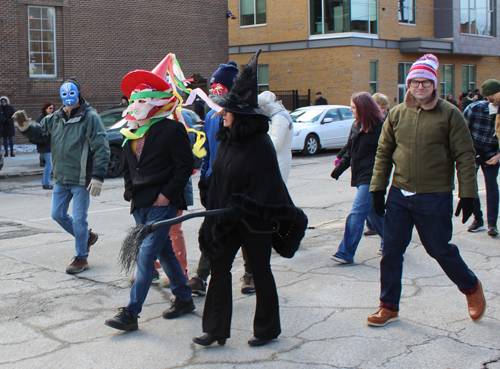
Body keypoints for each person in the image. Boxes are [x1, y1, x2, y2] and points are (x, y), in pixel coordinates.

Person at [193, 50, 308, 347]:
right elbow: (221, 176)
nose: (221, 115)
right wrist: (210, 193)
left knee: (260, 270)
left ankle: (267, 330)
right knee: (219, 268)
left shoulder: (260, 145)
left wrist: (242, 205)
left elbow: (267, 187)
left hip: (255, 223)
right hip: (226, 220)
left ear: (240, 116)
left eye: (226, 112)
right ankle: (215, 329)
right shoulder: (227, 140)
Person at [367, 53, 486, 327]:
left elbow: (465, 155)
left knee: (439, 249)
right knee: (392, 251)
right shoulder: (396, 114)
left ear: (434, 85)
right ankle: (388, 306)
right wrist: (377, 188)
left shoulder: (450, 114)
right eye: (415, 82)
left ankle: (471, 287)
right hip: (399, 194)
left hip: (434, 195)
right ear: (408, 84)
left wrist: (468, 193)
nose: (420, 87)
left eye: (426, 82)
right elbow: (384, 152)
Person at [104, 54, 195, 332]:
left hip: (162, 203)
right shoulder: (130, 133)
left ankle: (131, 313)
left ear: (156, 102)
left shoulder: (172, 129)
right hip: (140, 204)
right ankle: (183, 297)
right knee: (164, 251)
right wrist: (130, 193)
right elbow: (128, 169)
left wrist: (167, 195)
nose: (135, 104)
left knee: (145, 255)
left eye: (142, 100)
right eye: (133, 100)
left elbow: (186, 166)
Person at [14, 77, 109, 274]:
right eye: (64, 94)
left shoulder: (90, 117)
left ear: (78, 94)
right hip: (61, 178)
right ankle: (87, 238)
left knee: (79, 220)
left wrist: (98, 176)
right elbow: (39, 132)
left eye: (71, 93)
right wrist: (25, 127)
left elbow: (101, 147)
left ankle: (81, 257)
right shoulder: (55, 118)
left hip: (81, 179)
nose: (68, 97)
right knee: (57, 214)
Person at [187, 60, 240, 296]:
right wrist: (205, 175)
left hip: (236, 182)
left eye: (219, 85)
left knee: (241, 227)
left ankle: (250, 273)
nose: (215, 89)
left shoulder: (241, 115)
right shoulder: (210, 116)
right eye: (213, 85)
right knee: (212, 226)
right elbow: (207, 148)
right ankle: (201, 276)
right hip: (214, 181)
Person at [330, 92, 384, 264]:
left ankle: (345, 252)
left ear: (363, 108)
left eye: (353, 107)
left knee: (357, 212)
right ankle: (393, 241)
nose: (351, 110)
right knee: (374, 214)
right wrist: (338, 170)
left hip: (373, 176)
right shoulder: (356, 125)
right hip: (360, 174)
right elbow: (350, 151)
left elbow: (388, 154)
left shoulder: (379, 128)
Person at [463, 79, 500, 236]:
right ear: (488, 96)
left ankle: (492, 224)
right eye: (492, 95)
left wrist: (499, 155)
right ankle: (478, 219)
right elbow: (461, 130)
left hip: (493, 152)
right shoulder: (474, 108)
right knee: (471, 187)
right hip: (473, 151)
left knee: (491, 186)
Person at [364, 93, 390, 237]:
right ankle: (372, 225)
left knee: (374, 198)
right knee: (368, 200)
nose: (383, 111)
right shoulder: (366, 122)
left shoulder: (385, 123)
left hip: (379, 165)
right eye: (380, 108)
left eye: (385, 108)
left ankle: (384, 235)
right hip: (366, 167)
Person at [258, 91, 294, 183]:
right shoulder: (275, 117)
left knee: (277, 189)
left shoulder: (279, 118)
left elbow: (276, 144)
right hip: (275, 159)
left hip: (279, 160)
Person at [34, 101, 55, 190]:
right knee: (49, 163)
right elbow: (38, 130)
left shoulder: (52, 117)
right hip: (44, 144)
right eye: (50, 108)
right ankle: (46, 183)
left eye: (52, 108)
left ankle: (47, 182)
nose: (51, 110)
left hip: (50, 144)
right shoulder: (42, 118)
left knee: (50, 163)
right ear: (45, 108)